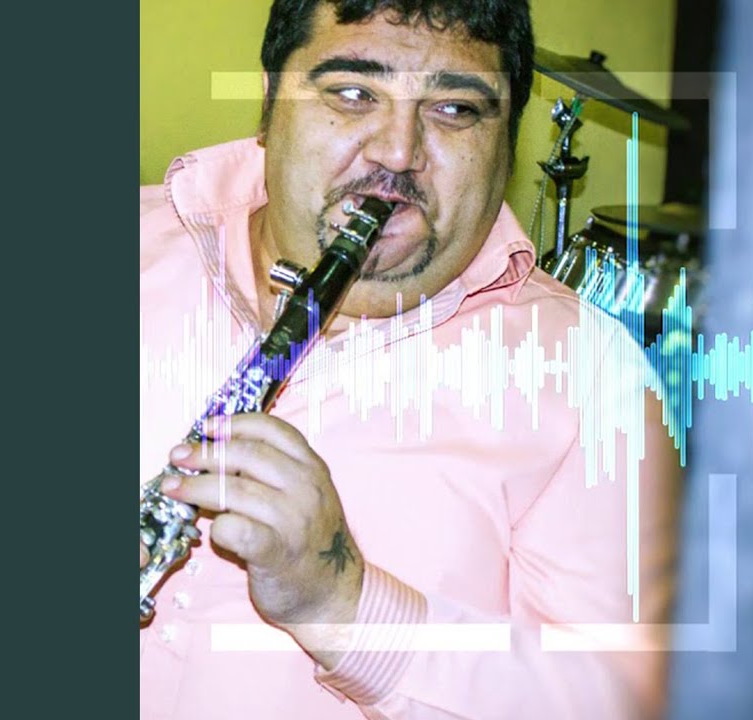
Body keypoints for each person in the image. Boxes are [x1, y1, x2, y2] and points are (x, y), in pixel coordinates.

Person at [139, 1, 681, 718]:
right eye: (352, 92)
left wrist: (343, 605)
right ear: (270, 104)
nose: (397, 153)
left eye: (455, 109)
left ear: (508, 142)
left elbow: (619, 702)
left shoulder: (596, 381)